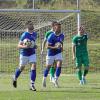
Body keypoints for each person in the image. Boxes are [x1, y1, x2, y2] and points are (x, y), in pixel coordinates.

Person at [12, 21, 37, 91]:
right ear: (27, 26)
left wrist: (35, 46)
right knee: (21, 68)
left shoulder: (35, 34)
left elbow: (33, 44)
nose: (32, 25)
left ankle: (32, 84)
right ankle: (14, 77)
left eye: (32, 24)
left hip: (32, 53)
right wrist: (25, 47)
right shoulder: (24, 35)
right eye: (31, 24)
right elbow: (19, 45)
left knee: (34, 66)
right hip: (24, 54)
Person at [42, 23, 64, 87]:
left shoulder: (62, 35)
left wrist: (62, 47)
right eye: (58, 27)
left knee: (59, 64)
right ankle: (44, 79)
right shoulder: (51, 36)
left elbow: (62, 42)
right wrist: (55, 47)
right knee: (48, 67)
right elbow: (47, 46)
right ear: (55, 28)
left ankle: (56, 80)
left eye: (60, 27)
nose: (60, 29)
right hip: (51, 53)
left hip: (58, 53)